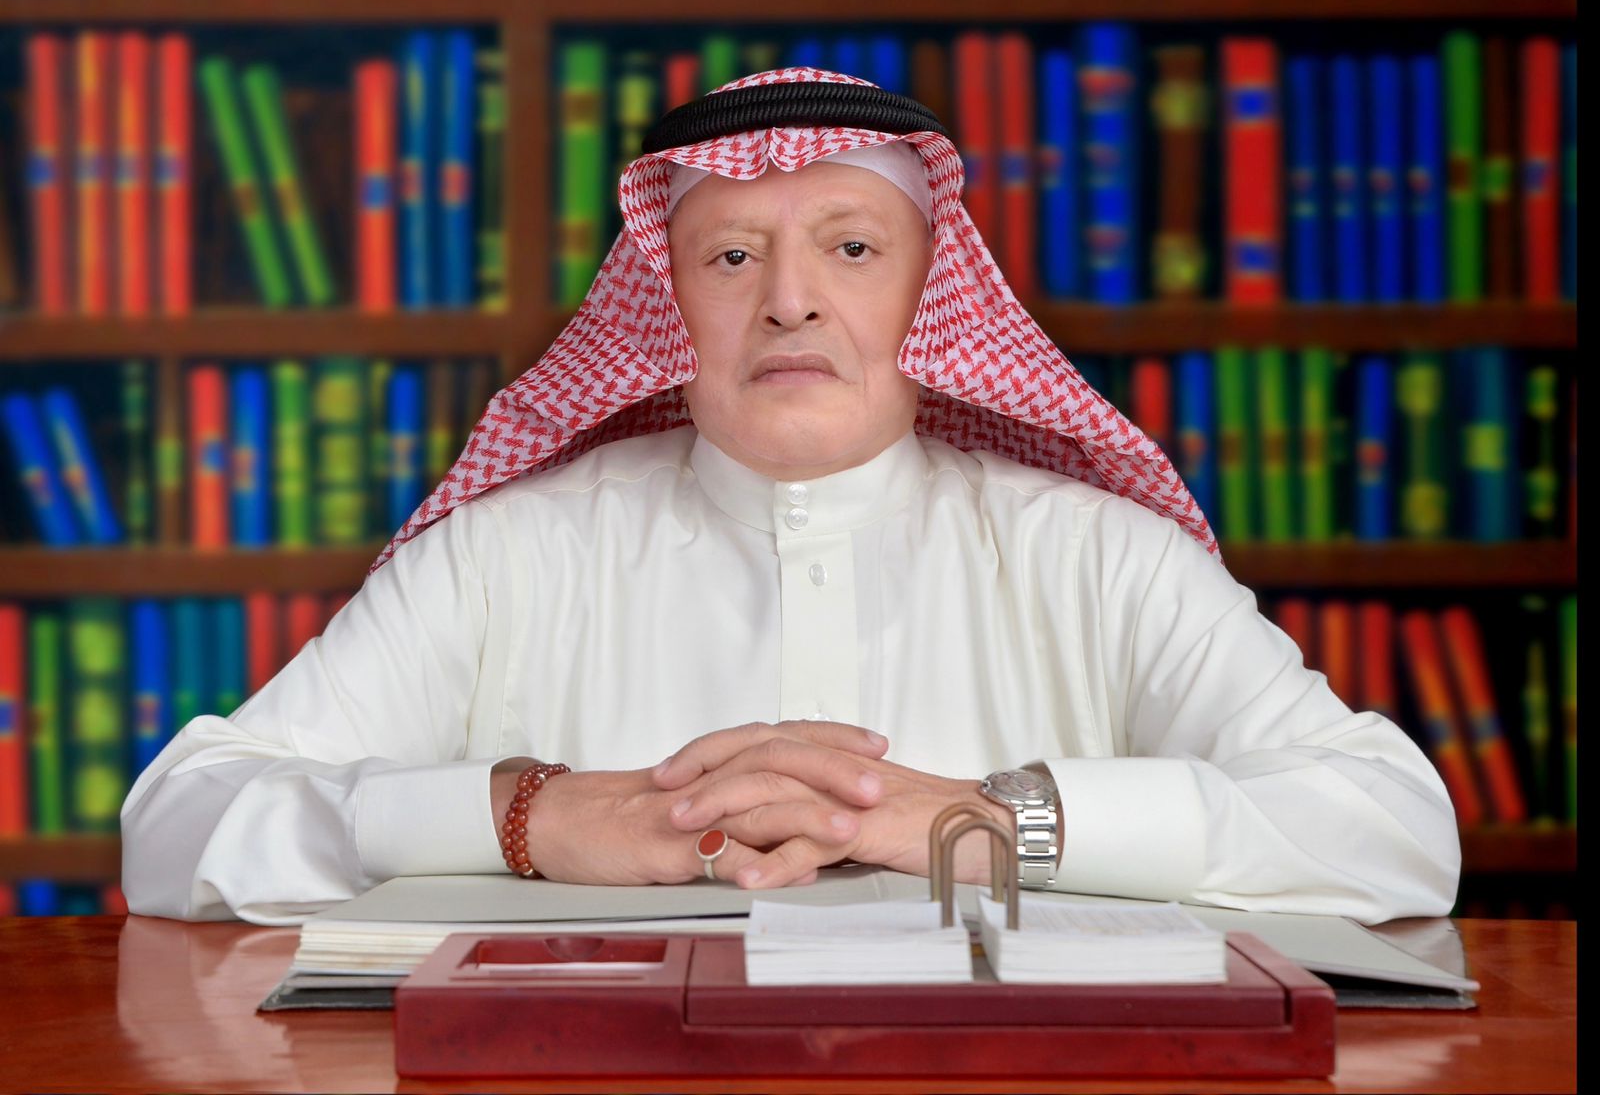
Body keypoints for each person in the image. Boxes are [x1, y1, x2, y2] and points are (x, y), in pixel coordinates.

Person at [121, 68, 1460, 925]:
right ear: (666, 306)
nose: (791, 301)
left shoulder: (1097, 555)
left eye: (853, 248)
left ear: (930, 297)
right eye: (731, 258)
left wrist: (996, 821)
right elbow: (177, 827)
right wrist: (529, 817)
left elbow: (1394, 830)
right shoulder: (506, 555)